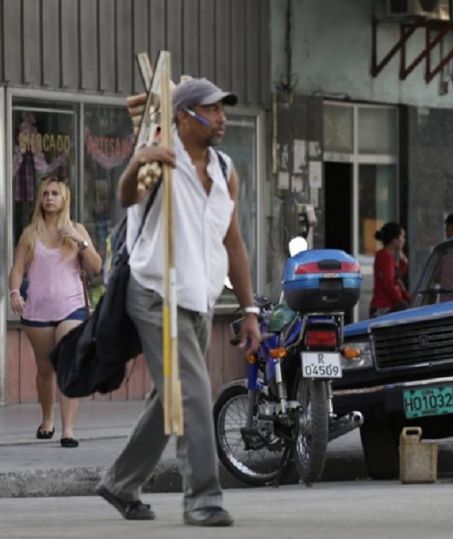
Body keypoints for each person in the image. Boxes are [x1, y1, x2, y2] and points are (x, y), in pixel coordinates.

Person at [95, 78, 261, 527]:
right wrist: (138, 161)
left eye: (225, 110)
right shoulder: (161, 160)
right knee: (192, 392)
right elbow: (127, 196)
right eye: (214, 109)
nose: (223, 118)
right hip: (155, 292)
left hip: (200, 297)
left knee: (169, 399)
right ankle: (203, 497)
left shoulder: (227, 170)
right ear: (184, 117)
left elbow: (234, 243)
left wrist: (249, 311)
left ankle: (120, 482)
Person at [8, 176, 102, 449]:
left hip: (71, 308)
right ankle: (47, 418)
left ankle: (68, 431)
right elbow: (17, 269)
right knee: (45, 369)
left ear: (64, 200)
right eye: (46, 194)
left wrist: (80, 243)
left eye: (55, 194)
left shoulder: (77, 230)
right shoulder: (30, 234)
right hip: (38, 310)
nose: (49, 198)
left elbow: (96, 268)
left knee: (68, 363)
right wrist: (15, 292)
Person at [370, 222, 410, 317]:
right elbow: (389, 284)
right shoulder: (385, 256)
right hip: (384, 306)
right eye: (402, 237)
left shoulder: (388, 256)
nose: (404, 240)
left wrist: (403, 262)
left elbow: (396, 277)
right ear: (395, 240)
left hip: (386, 305)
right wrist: (399, 301)